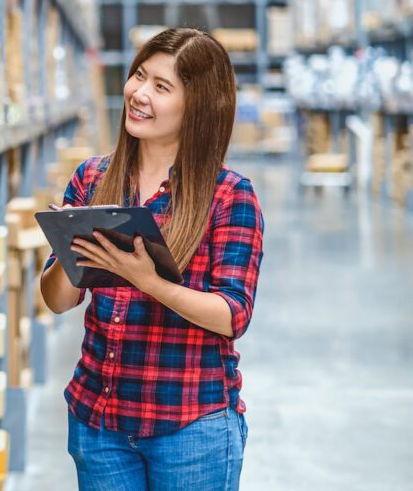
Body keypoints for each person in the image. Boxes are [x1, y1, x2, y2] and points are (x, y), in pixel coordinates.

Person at [40, 27, 264, 491]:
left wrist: (149, 281)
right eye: (139, 76)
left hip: (190, 426)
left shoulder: (228, 196)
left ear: (197, 106)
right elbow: (57, 300)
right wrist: (69, 246)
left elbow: (232, 315)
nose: (139, 94)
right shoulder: (93, 178)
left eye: (161, 87)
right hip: (99, 421)